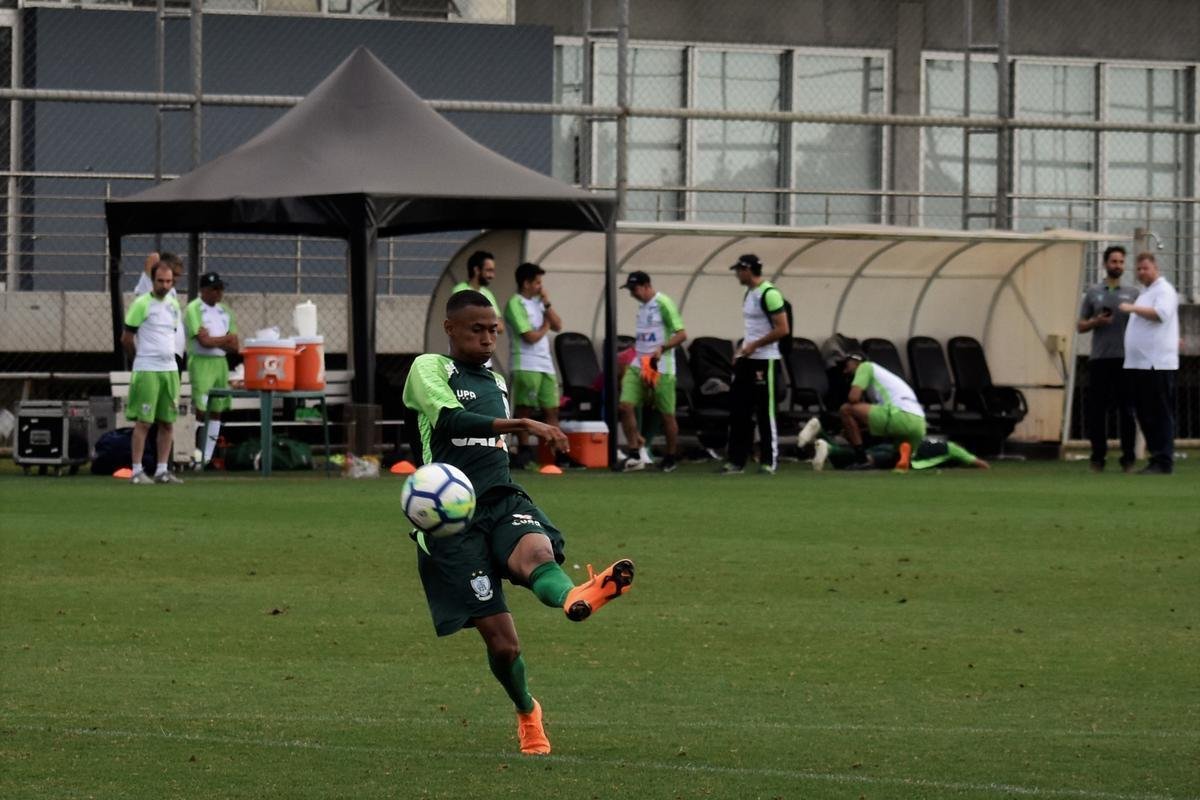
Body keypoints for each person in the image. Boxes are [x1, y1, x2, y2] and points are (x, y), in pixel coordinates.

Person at [401, 289, 635, 756]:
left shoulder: (497, 381)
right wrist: (525, 424)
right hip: (452, 521)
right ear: (450, 328)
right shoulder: (430, 368)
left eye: (494, 331)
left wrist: (520, 426)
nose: (488, 338)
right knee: (505, 647)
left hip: (503, 499)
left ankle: (577, 596)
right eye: (477, 329)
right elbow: (449, 422)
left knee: (538, 554)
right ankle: (528, 710)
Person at [720, 254, 790, 475]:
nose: (737, 274)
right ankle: (736, 461)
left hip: (766, 360)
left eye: (739, 270)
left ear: (748, 270)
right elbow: (752, 329)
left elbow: (782, 329)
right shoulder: (748, 293)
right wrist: (743, 349)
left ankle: (769, 461)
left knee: (764, 412)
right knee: (739, 410)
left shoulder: (770, 294)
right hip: (748, 359)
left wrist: (756, 345)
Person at [1077, 245, 1140, 473]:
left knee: (1127, 410)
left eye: (1121, 262)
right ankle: (1097, 458)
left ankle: (1128, 459)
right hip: (1100, 359)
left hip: (1126, 360)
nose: (1118, 266)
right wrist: (1096, 322)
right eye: (1114, 261)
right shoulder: (1093, 292)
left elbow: (1143, 322)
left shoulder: (1133, 293)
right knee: (1097, 411)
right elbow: (1080, 326)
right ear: (1105, 264)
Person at [121, 260, 184, 484]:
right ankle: (136, 470)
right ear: (152, 280)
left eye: (169, 281)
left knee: (167, 422)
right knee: (144, 421)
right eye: (160, 281)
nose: (165, 285)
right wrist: (141, 357)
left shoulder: (173, 305)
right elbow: (127, 338)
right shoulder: (141, 304)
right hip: (148, 369)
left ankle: (161, 470)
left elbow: (171, 334)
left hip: (169, 369)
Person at [617, 271, 687, 473]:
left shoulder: (663, 303)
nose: (632, 294)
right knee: (625, 405)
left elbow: (681, 334)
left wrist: (662, 348)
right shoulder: (642, 307)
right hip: (640, 363)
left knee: (666, 415)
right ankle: (633, 452)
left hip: (660, 366)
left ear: (647, 285)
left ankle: (671, 456)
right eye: (630, 290)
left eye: (635, 289)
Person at [1119, 252, 1179, 475]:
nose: (1142, 272)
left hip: (1156, 363)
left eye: (1146, 268)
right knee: (1144, 412)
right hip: (1139, 364)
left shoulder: (1164, 290)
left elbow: (1161, 314)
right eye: (1139, 269)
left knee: (1158, 412)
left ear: (1156, 269)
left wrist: (1132, 309)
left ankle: (1164, 460)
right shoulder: (1146, 292)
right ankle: (1156, 457)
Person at [503, 262, 564, 468]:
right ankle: (524, 452)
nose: (540, 286)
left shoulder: (539, 303)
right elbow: (529, 336)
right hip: (525, 364)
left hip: (546, 364)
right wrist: (545, 326)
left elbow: (558, 325)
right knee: (525, 409)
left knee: (552, 410)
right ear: (526, 283)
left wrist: (547, 305)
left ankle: (557, 453)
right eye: (537, 282)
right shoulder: (515, 303)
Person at [835, 350, 926, 469]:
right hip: (919, 423)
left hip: (899, 415)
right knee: (893, 460)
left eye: (846, 365)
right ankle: (901, 456)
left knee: (846, 409)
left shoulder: (865, 367)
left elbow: (853, 398)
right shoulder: (884, 375)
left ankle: (862, 459)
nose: (845, 371)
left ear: (857, 362)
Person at [185, 272, 239, 469]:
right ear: (203, 290)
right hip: (201, 363)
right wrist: (224, 339)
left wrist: (217, 340)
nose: (219, 293)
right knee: (201, 410)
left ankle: (205, 458)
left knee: (216, 411)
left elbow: (235, 346)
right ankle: (191, 454)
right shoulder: (193, 309)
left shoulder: (226, 311)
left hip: (220, 364)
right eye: (214, 288)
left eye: (221, 288)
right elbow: (203, 342)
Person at [134, 251, 186, 365]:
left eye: (178, 275)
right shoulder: (149, 285)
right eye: (175, 274)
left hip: (173, 355)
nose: (176, 279)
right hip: (155, 357)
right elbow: (153, 257)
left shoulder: (171, 291)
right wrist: (163, 267)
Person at [451, 250, 505, 334]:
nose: (492, 275)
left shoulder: (488, 294)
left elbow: (500, 327)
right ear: (477, 270)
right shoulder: (460, 290)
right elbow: (465, 322)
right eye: (489, 270)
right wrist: (489, 321)